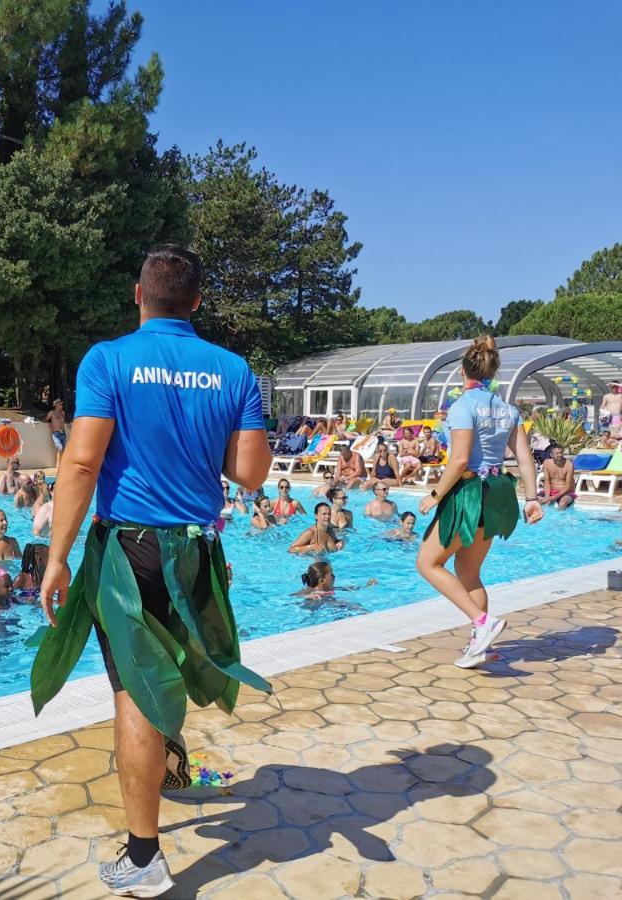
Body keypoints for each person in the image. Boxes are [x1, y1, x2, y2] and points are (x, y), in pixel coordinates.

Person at [32, 244, 271, 896]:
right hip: (196, 552)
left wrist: (56, 558)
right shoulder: (233, 370)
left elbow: (81, 464)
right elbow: (250, 473)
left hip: (129, 554)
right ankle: (168, 772)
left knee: (134, 693)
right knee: (163, 671)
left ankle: (143, 859)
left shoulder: (108, 360)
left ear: (138, 296)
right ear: (196, 303)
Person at [417, 335, 543, 669]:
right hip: (500, 492)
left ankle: (482, 622)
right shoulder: (509, 410)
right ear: (492, 372)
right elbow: (525, 459)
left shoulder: (462, 407)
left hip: (470, 494)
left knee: (428, 563)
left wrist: (434, 495)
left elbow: (459, 461)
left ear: (463, 372)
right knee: (470, 573)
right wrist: (532, 498)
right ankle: (481, 645)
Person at [295, 560, 377, 600]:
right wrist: (308, 596)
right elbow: (295, 595)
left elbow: (348, 588)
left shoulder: (328, 589)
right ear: (322, 581)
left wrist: (367, 586)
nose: (334, 576)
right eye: (332, 575)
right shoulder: (311, 591)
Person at [540, 445, 577, 509]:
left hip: (566, 492)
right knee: (537, 500)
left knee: (562, 504)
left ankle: (561, 519)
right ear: (551, 455)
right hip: (551, 491)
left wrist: (553, 498)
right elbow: (547, 481)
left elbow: (568, 487)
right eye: (557, 453)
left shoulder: (569, 465)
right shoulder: (546, 463)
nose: (559, 455)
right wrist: (547, 497)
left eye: (561, 452)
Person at [46, 399, 68, 468]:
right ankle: (58, 464)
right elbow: (47, 420)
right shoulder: (51, 413)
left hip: (62, 433)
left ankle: (63, 464)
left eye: (61, 404)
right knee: (60, 448)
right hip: (56, 433)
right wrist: (51, 427)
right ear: (56, 406)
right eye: (60, 404)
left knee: (63, 449)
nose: (62, 406)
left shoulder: (62, 413)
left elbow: (62, 422)